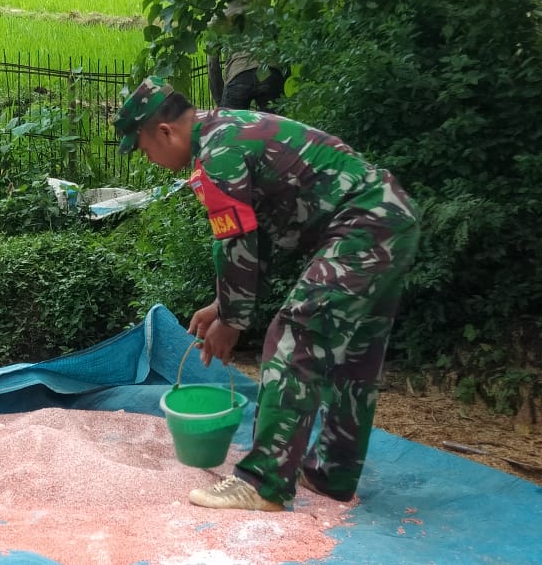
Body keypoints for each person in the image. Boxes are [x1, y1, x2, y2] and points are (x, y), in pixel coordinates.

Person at [113, 77, 419, 512]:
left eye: (144, 148)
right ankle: (332, 476)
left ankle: (264, 482)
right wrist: (223, 304)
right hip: (391, 217)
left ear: (165, 132)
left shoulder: (219, 152)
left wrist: (232, 322)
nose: (149, 158)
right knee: (354, 355)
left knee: (294, 337)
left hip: (362, 226)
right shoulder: (230, 131)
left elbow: (234, 242)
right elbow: (258, 236)